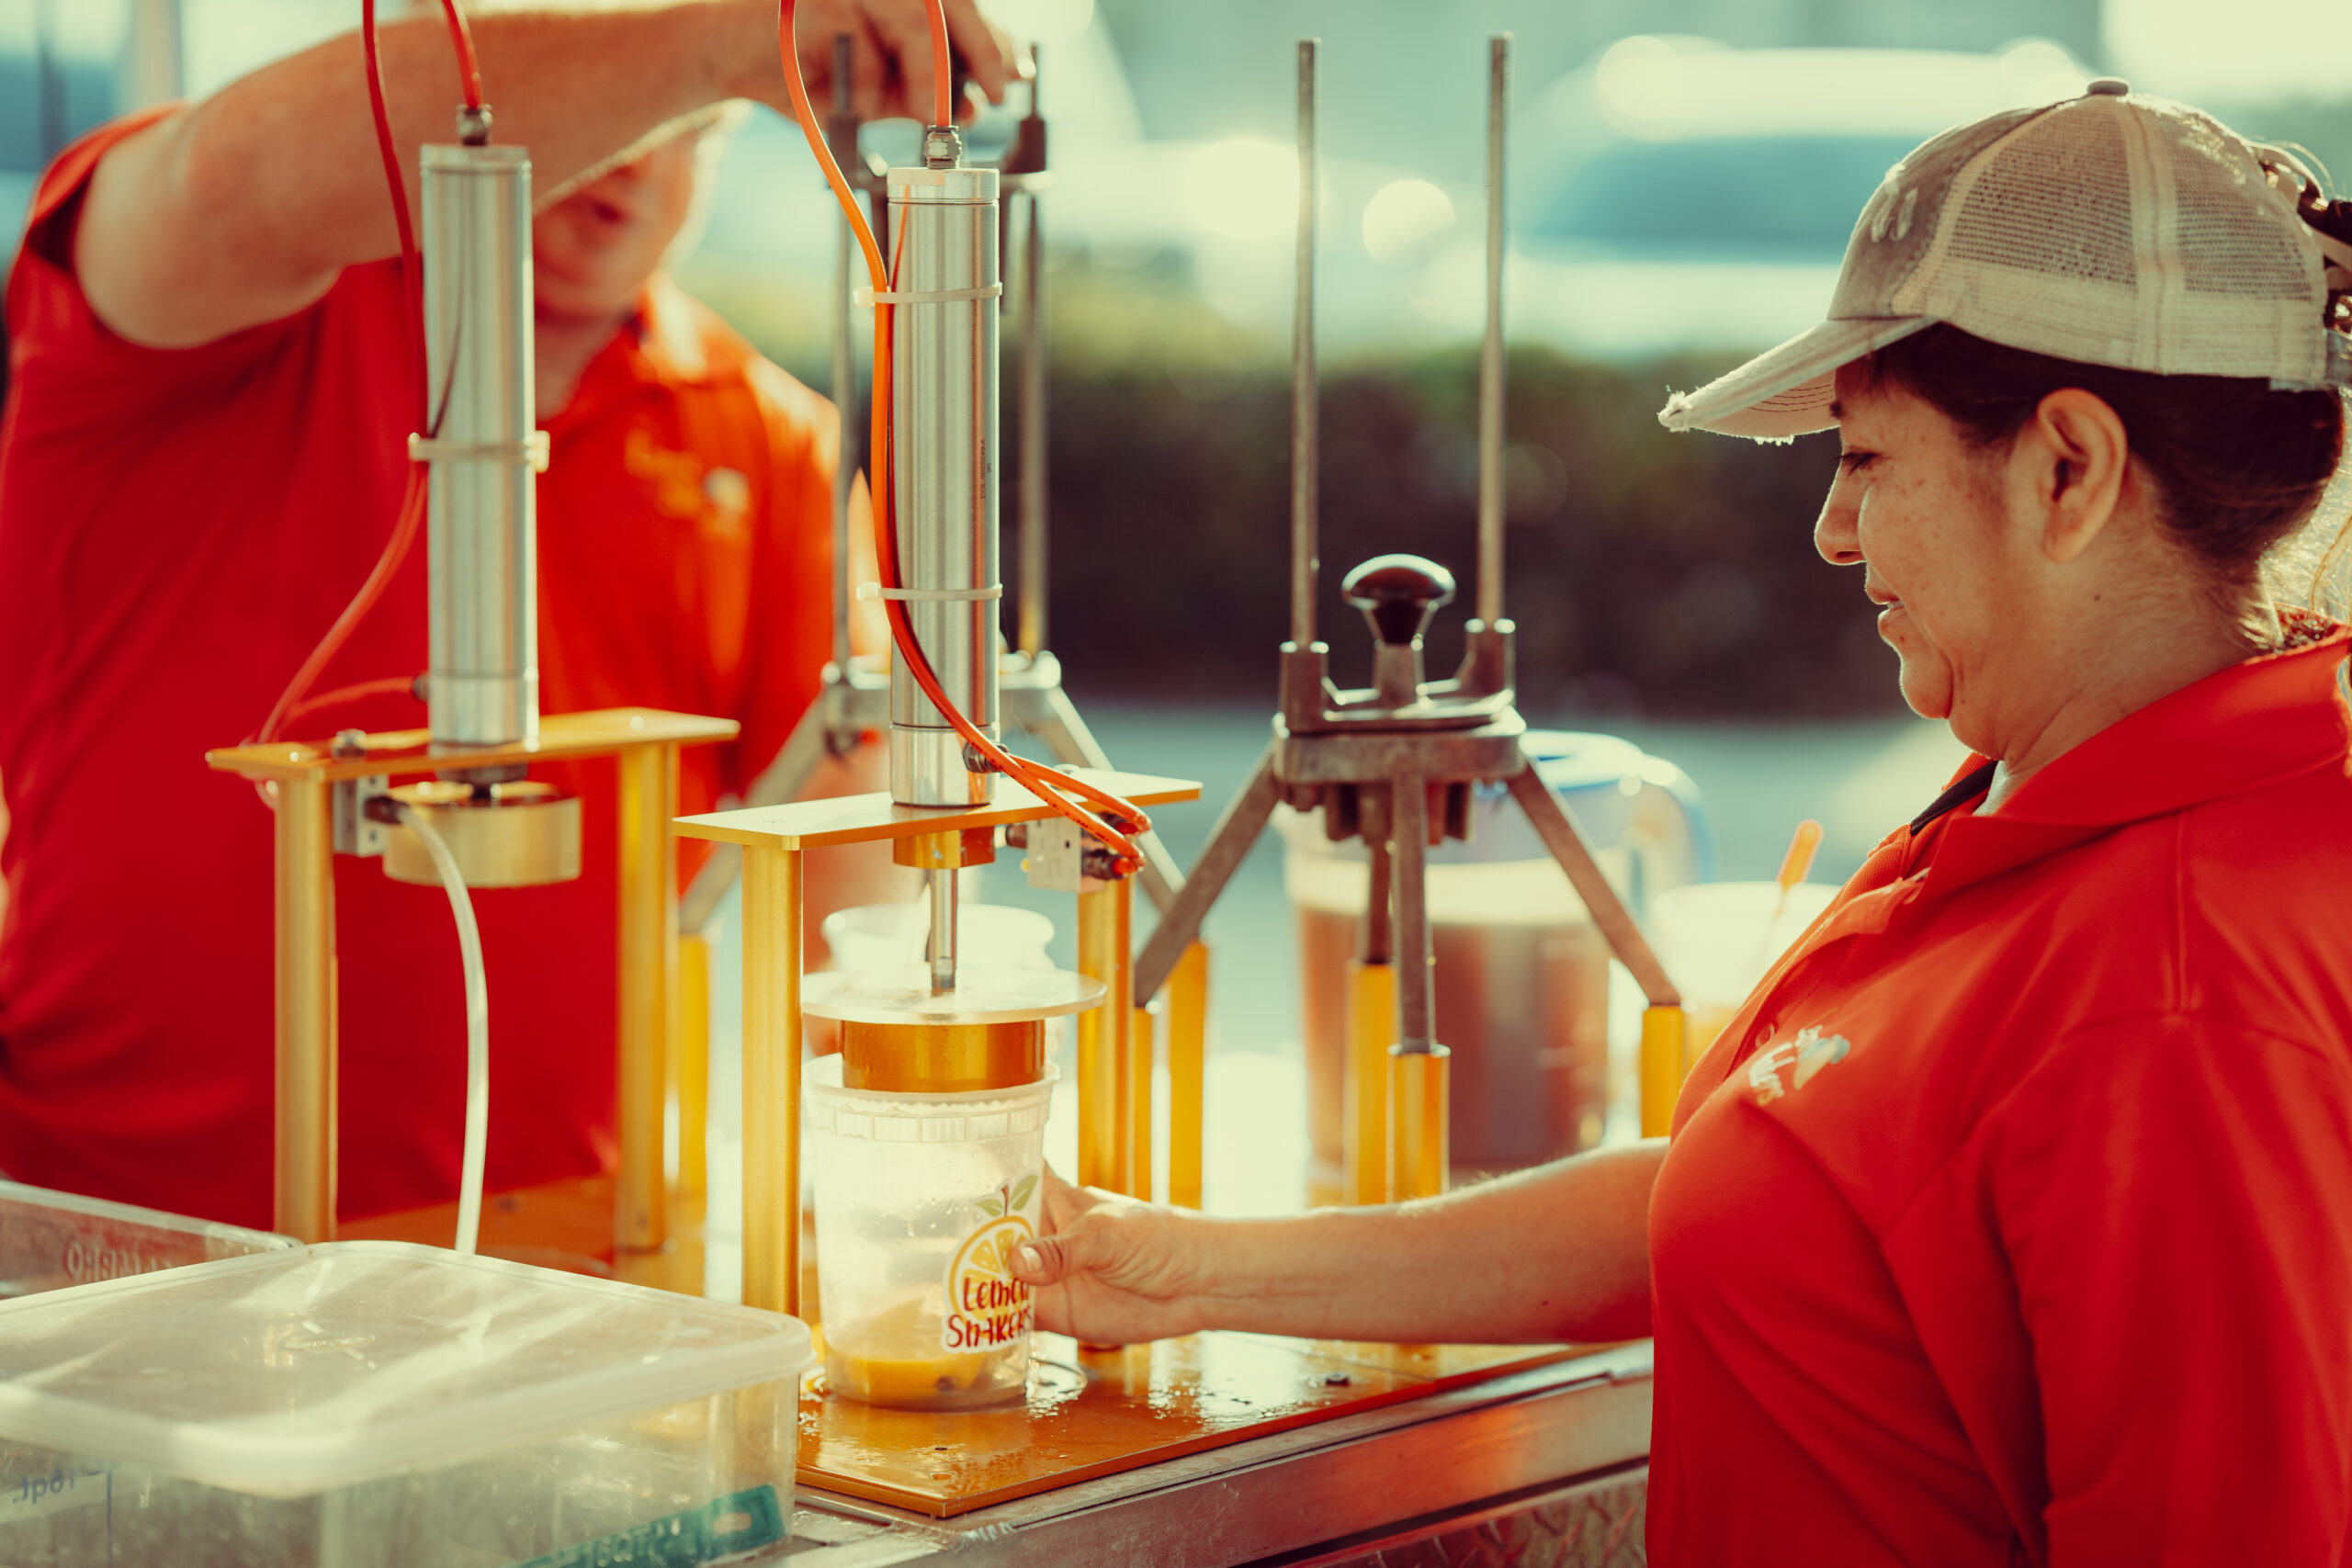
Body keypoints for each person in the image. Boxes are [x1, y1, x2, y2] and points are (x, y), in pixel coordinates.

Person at [1011, 83, 2352, 1562]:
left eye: (1862, 456)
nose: (1834, 530)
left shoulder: (2178, 998)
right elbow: (1779, 1185)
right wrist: (1188, 1270)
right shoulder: (2059, 798)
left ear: (2068, 469)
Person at [0, 2, 1012, 1229]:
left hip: (552, 1258)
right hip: (106, 1236)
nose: (632, 153)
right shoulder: (233, 306)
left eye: (680, 124)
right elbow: (220, 179)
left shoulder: (764, 433)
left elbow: (851, 889)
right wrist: (713, 41)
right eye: (600, 83)